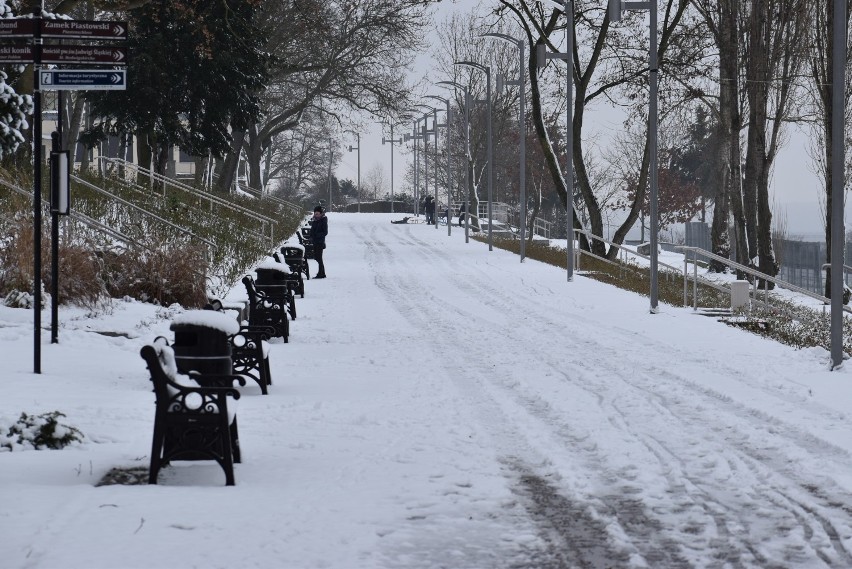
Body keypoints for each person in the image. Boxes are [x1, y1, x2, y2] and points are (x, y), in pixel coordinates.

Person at [310, 205, 328, 278]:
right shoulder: (315, 221)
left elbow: (325, 232)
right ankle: (321, 273)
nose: (316, 215)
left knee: (319, 258)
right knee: (317, 257)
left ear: (321, 214)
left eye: (317, 214)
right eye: (315, 213)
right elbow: (312, 230)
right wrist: (311, 236)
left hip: (320, 242)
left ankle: (321, 273)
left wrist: (317, 235)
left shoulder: (323, 221)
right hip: (315, 241)